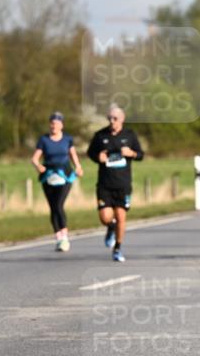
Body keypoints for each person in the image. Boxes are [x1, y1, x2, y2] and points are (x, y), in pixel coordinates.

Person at [86, 104, 145, 262]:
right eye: (109, 118)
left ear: (122, 119)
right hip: (105, 184)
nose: (112, 121)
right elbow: (90, 153)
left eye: (115, 118)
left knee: (120, 216)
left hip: (123, 184)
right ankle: (110, 227)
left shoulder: (130, 135)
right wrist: (98, 157)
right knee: (105, 217)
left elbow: (141, 155)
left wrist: (131, 153)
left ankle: (117, 249)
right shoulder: (100, 135)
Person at [31, 112, 84, 251]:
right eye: (52, 123)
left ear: (61, 125)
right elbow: (35, 158)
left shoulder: (67, 139)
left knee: (59, 204)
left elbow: (73, 155)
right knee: (53, 206)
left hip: (64, 175)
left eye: (56, 123)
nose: (54, 126)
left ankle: (65, 236)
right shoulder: (43, 140)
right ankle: (58, 237)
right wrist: (38, 166)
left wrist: (78, 167)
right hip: (48, 175)